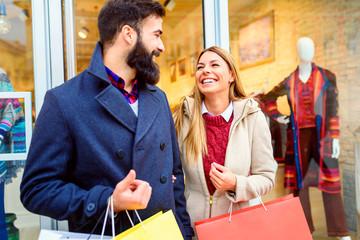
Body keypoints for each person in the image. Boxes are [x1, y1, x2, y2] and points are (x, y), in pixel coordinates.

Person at [20, 0, 193, 239]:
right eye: (156, 34)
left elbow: (175, 175)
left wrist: (184, 232)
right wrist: (108, 200)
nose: (161, 46)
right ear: (128, 34)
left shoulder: (159, 98)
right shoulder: (64, 101)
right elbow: (36, 190)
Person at [173, 46, 275, 239]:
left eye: (214, 65)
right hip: (192, 228)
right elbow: (171, 171)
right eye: (201, 67)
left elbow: (267, 178)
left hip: (237, 228)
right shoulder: (181, 117)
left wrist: (236, 183)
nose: (206, 71)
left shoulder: (252, 118)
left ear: (231, 76)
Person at [262, 37, 350, 239]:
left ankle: (340, 232)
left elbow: (332, 108)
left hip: (323, 137)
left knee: (331, 183)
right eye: (302, 47)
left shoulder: (327, 77)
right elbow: (267, 99)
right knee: (298, 186)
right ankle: (303, 230)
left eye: (309, 47)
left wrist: (335, 136)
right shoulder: (289, 80)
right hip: (297, 137)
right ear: (297, 51)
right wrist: (279, 116)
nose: (306, 50)